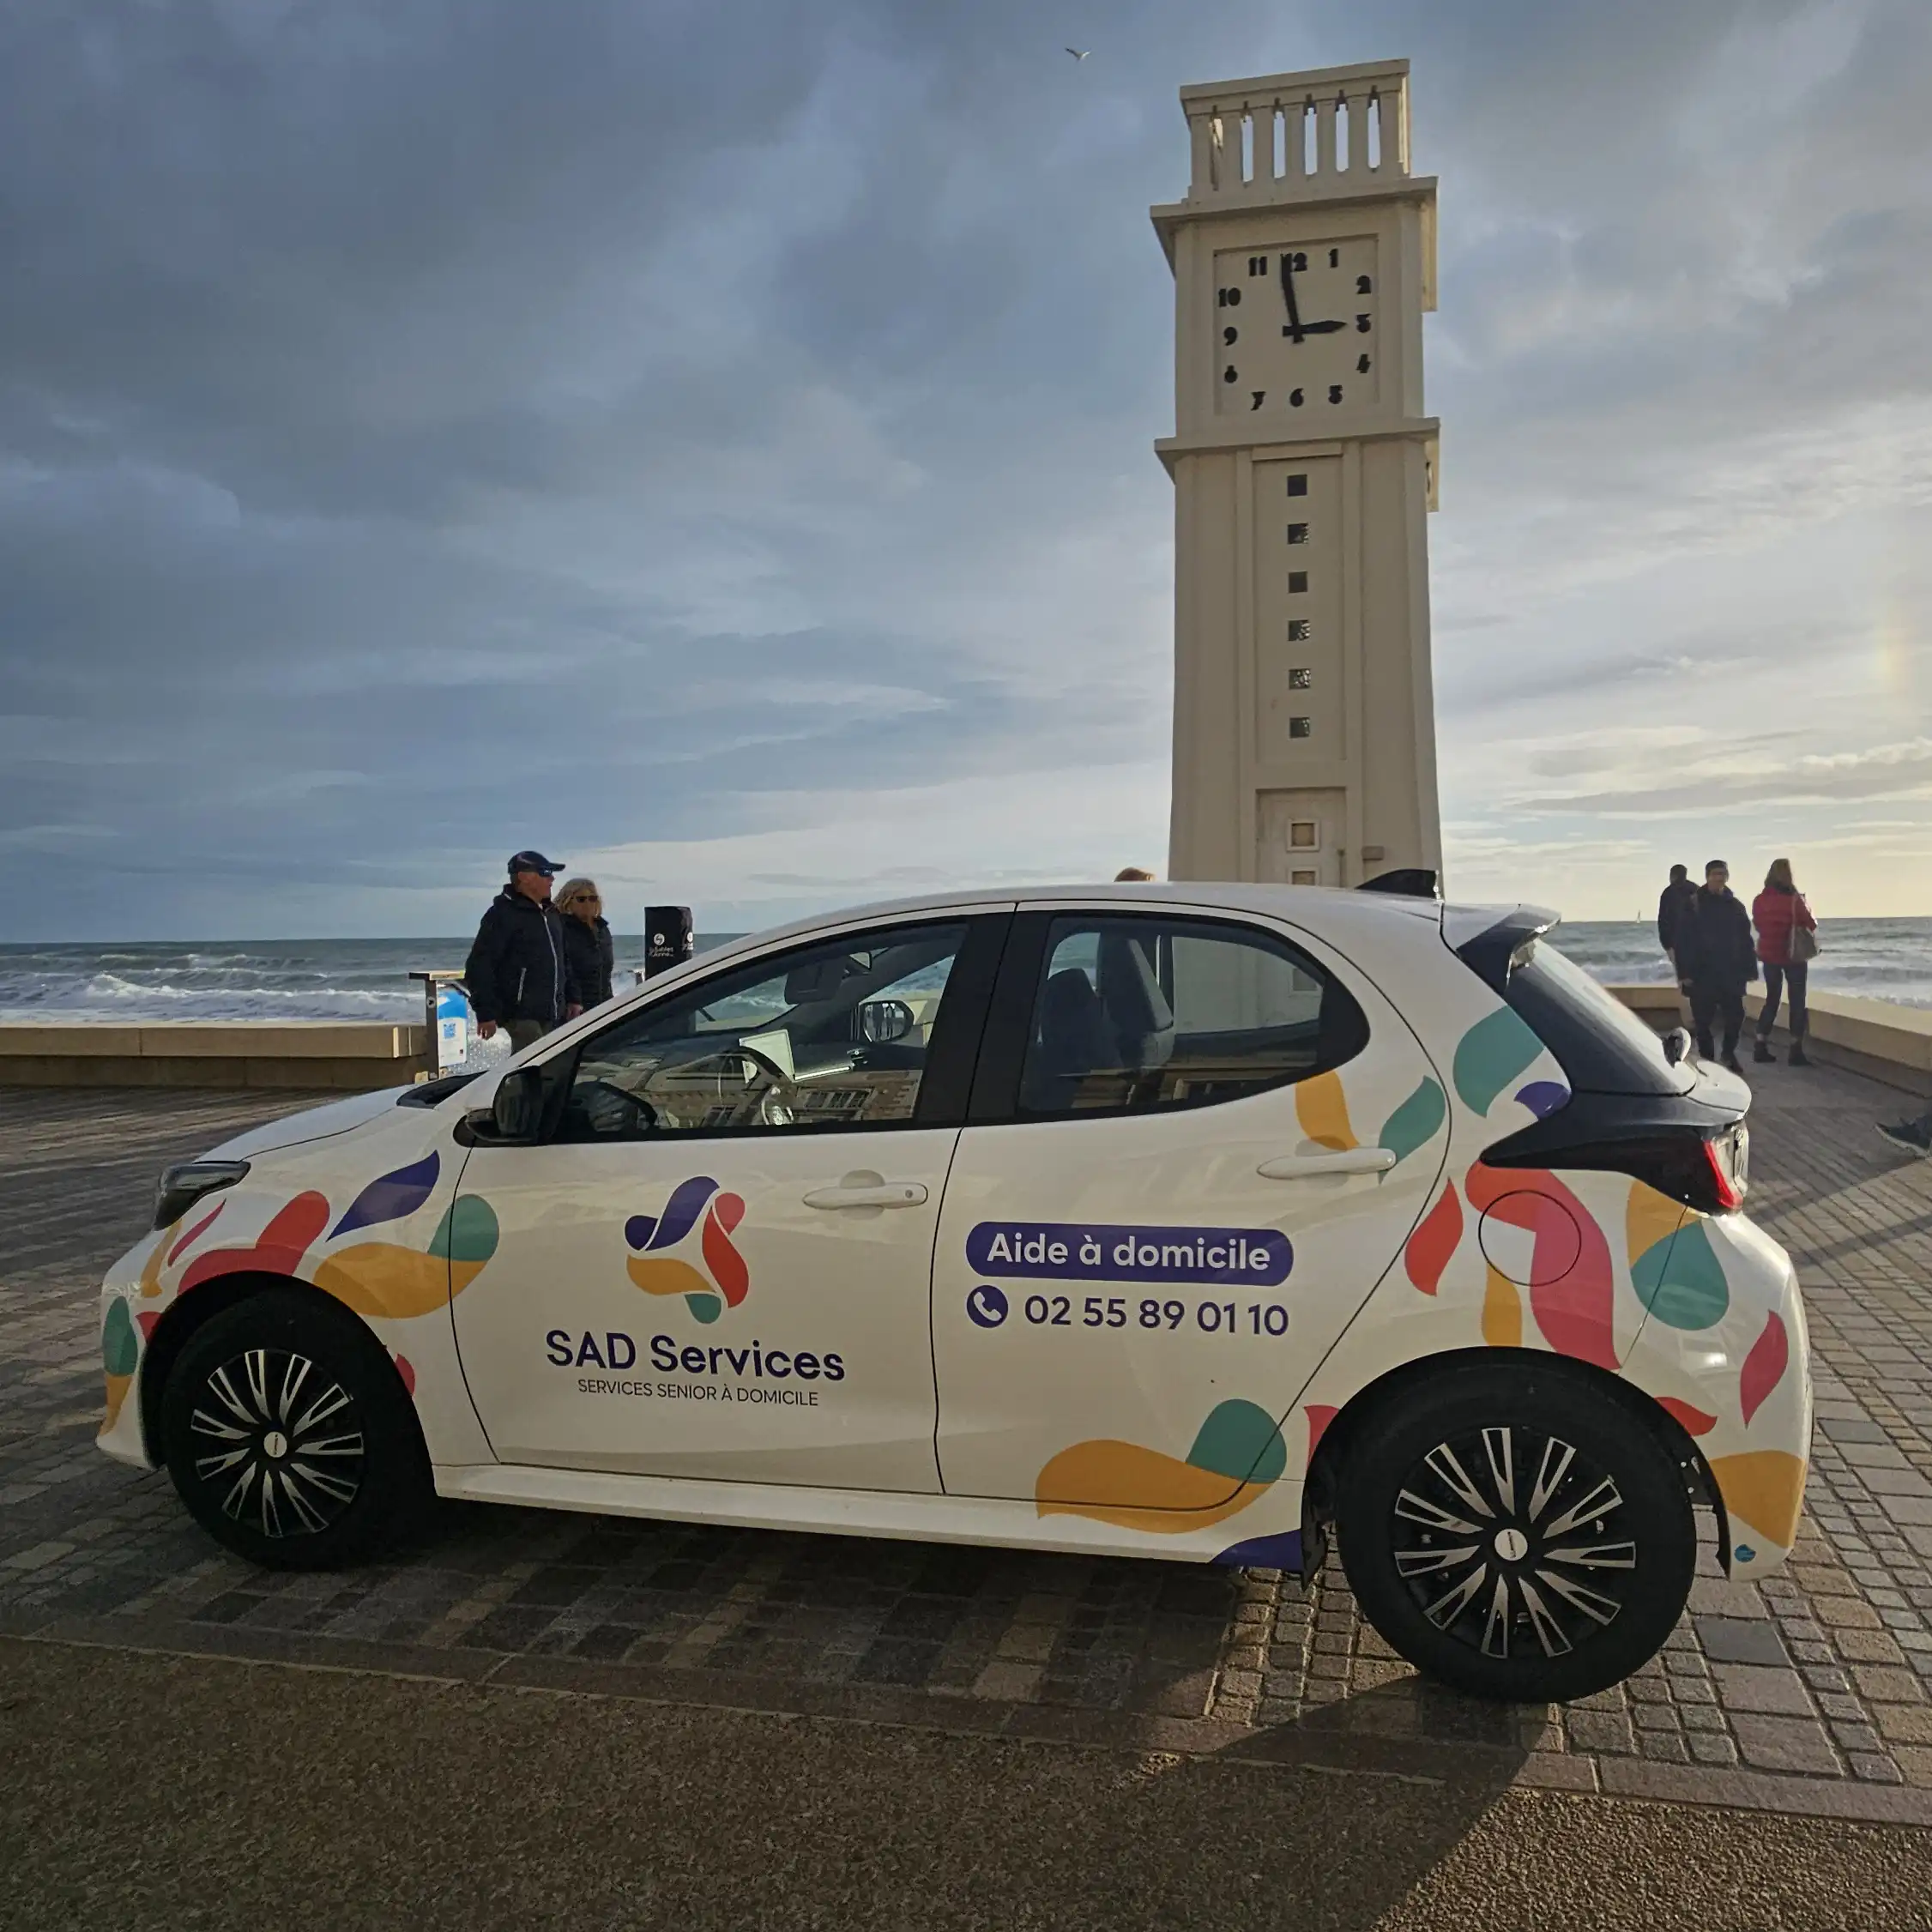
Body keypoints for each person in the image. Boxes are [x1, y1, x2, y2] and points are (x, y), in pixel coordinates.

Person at [463, 850, 583, 1052]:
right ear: (524, 877)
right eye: (545, 872)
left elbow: (563, 960)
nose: (552, 879)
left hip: (554, 1011)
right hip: (520, 1013)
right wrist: (485, 1014)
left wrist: (574, 998)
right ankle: (506, 1084)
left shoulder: (552, 914)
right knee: (535, 1065)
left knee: (553, 1066)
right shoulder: (502, 915)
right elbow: (480, 966)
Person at [1674, 859, 1756, 1075]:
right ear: (1707, 876)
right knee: (1703, 1021)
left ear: (1727, 877)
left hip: (1730, 972)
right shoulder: (1693, 904)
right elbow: (1682, 940)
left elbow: (1746, 939)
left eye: (1722, 874)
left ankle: (1728, 1053)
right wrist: (1684, 973)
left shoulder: (1735, 905)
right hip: (1702, 973)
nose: (1719, 878)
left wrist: (1750, 969)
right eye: (1715, 874)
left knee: (1736, 1015)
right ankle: (1707, 1058)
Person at [1750, 857, 1817, 1067]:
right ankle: (1795, 1050)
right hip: (1793, 955)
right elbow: (1811, 924)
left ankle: (1760, 1043)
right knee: (1797, 1000)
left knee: (1772, 998)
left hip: (1769, 954)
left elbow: (1759, 925)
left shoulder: (1759, 900)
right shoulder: (1794, 899)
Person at [555, 877, 615, 1009]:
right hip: (573, 1008)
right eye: (581, 899)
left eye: (593, 898)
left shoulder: (602, 930)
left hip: (603, 1004)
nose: (588, 903)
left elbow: (605, 974)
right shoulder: (561, 928)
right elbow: (564, 971)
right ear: (568, 901)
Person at [1657, 864, 1697, 970]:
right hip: (1694, 941)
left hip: (1677, 941)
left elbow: (1663, 921)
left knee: (1682, 974)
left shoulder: (1668, 893)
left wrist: (1666, 944)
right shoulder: (1695, 889)